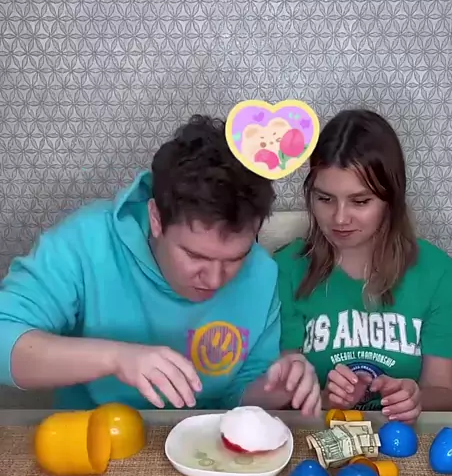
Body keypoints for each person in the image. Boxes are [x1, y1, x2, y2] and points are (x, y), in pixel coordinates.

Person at [0, 115, 321, 416]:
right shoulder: (87, 242)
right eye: (195, 256)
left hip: (203, 444)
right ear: (156, 218)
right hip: (91, 435)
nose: (214, 279)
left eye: (235, 259)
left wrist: (274, 391)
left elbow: (239, 392)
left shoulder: (263, 273)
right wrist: (116, 358)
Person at [274, 109, 452, 422]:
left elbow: (446, 393)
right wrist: (324, 400)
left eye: (360, 201)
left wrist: (415, 398)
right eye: (324, 199)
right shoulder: (285, 269)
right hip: (317, 436)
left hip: (401, 440)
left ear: (391, 200)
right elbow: (278, 399)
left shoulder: (436, 272)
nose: (339, 218)